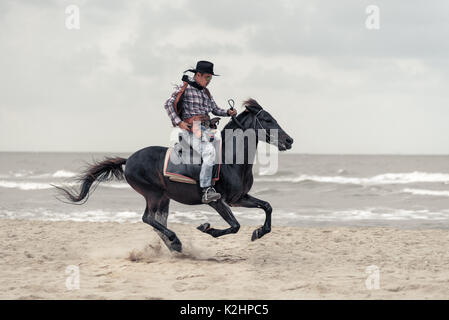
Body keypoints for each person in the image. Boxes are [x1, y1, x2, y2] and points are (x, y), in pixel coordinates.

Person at [164, 60, 237, 203]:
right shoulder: (185, 88)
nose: (209, 81)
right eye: (207, 77)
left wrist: (228, 112)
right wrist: (180, 123)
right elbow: (167, 104)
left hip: (206, 130)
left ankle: (216, 181)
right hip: (191, 130)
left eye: (211, 78)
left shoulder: (206, 92)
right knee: (209, 152)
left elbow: (215, 109)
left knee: (220, 147)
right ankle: (206, 190)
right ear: (198, 74)